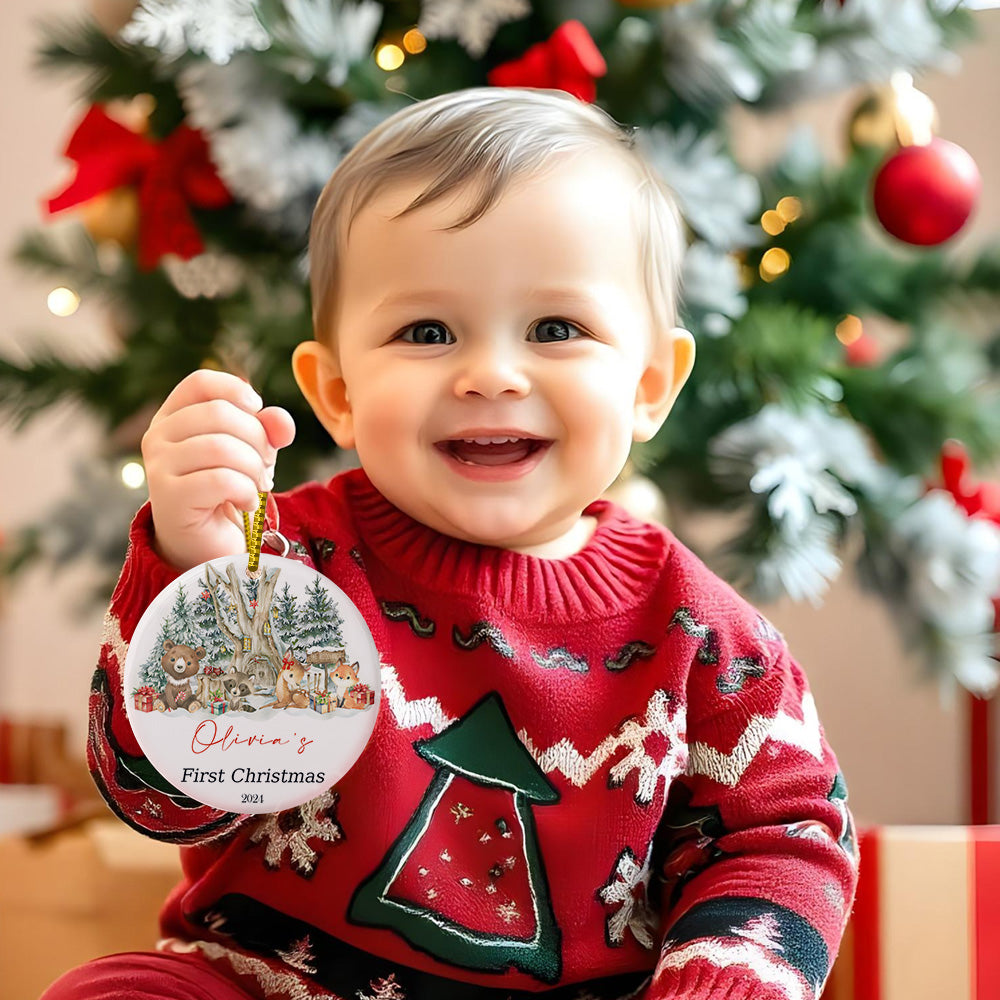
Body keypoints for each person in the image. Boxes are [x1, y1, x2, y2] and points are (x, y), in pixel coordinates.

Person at [44, 87, 857, 1000]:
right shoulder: (281, 569)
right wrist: (197, 570)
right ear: (338, 392)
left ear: (649, 384)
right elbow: (159, 802)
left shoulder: (706, 639)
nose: (491, 375)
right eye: (427, 332)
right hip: (272, 981)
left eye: (556, 329)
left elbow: (782, 838)